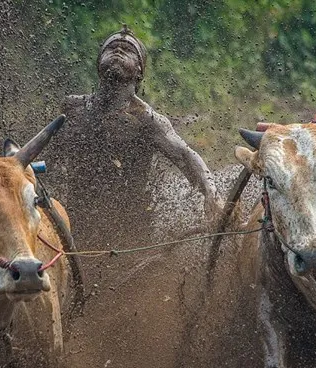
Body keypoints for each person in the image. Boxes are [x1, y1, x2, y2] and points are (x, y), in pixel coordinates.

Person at [43, 26, 223, 252]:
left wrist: (211, 193)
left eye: (127, 50)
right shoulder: (73, 108)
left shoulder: (147, 120)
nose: (117, 50)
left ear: (139, 71)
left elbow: (186, 156)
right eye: (111, 48)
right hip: (75, 224)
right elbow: (46, 161)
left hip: (129, 233)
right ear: (99, 63)